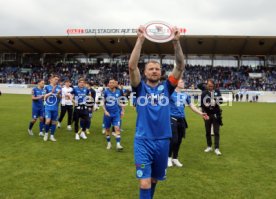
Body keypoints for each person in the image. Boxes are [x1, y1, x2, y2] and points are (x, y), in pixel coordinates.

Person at [129, 26, 185, 199]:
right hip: (143, 141)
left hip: (162, 141)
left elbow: (181, 65)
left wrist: (176, 42)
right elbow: (132, 66)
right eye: (150, 69)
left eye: (157, 69)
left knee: (153, 180)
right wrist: (140, 39)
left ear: (161, 72)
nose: (154, 71)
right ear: (144, 73)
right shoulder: (140, 88)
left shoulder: (167, 87)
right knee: (144, 182)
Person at [168, 79, 208, 167]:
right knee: (173, 139)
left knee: (179, 140)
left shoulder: (185, 95)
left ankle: (175, 158)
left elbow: (192, 106)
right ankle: (168, 158)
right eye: (181, 81)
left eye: (183, 82)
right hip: (172, 118)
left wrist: (201, 113)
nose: (183, 83)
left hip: (182, 119)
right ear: (176, 83)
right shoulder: (170, 93)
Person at [201, 79, 223, 156]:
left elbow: (221, 101)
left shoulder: (217, 91)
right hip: (207, 114)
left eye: (211, 85)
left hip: (216, 114)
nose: (209, 86)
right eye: (208, 85)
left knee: (216, 132)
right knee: (207, 132)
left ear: (213, 85)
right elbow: (202, 105)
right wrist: (203, 113)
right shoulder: (204, 93)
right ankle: (209, 146)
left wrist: (215, 100)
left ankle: (217, 148)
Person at [102, 79, 124, 151]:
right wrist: (105, 111)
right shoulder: (105, 92)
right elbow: (103, 102)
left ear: (115, 84)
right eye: (110, 83)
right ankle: (109, 143)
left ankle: (118, 144)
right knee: (107, 129)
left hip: (116, 113)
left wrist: (122, 110)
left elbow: (121, 101)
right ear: (108, 84)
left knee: (117, 128)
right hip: (108, 114)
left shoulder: (119, 91)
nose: (111, 84)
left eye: (113, 83)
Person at [43, 75, 61, 142]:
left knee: (54, 122)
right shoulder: (47, 87)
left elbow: (60, 97)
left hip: (55, 107)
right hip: (48, 107)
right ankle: (46, 134)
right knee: (47, 121)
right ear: (51, 79)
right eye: (55, 79)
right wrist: (52, 92)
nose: (57, 80)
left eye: (57, 79)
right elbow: (44, 96)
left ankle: (52, 136)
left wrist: (58, 94)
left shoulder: (59, 87)